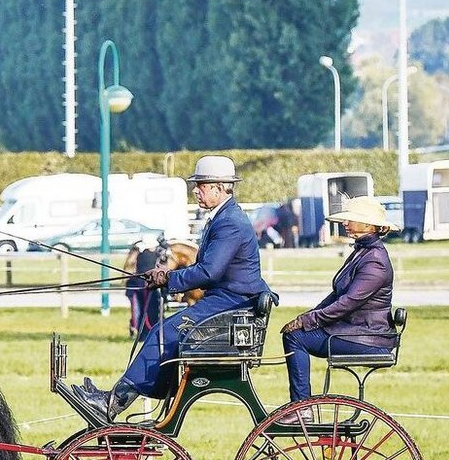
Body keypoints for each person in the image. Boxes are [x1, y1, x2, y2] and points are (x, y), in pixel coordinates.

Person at [76, 156, 273, 418]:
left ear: (219, 187)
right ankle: (117, 398)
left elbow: (209, 271)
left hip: (230, 304)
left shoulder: (230, 223)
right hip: (225, 301)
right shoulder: (222, 217)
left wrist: (169, 278)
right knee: (161, 332)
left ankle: (112, 403)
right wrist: (167, 277)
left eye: (201, 185)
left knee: (162, 335)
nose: (196, 190)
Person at [278, 195, 397, 421]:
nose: (345, 223)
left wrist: (309, 321)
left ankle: (302, 408)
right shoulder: (362, 252)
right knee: (295, 333)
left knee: (296, 338)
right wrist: (308, 316)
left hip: (367, 337)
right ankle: (301, 407)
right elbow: (336, 295)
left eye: (350, 219)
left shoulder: (375, 261)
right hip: (356, 331)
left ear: (369, 225)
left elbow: (347, 303)